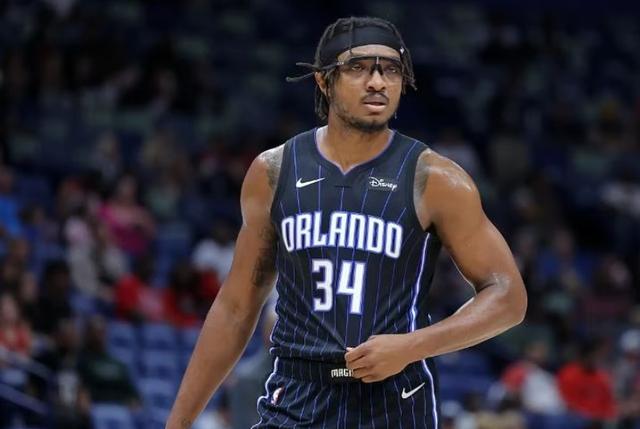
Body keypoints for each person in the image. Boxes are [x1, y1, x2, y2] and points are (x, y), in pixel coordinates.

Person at [166, 16, 527, 428]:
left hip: (392, 402)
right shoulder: (273, 171)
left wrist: (412, 346)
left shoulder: (435, 179)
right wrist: (178, 424)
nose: (377, 82)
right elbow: (235, 308)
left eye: (390, 70)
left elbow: (508, 296)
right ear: (324, 80)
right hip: (295, 396)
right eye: (358, 68)